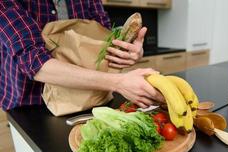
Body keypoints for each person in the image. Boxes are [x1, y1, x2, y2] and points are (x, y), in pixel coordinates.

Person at [0, 0, 163, 111]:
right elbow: (34, 62)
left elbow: (104, 39)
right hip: (32, 104)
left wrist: (128, 52)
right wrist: (119, 83)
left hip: (90, 96)